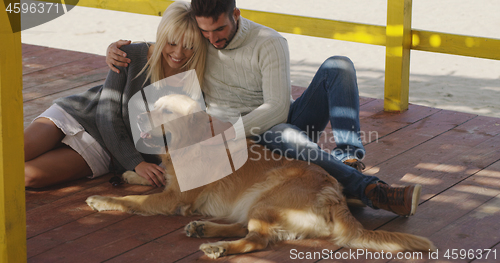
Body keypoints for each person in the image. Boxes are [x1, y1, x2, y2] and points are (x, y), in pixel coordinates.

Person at [105, 0, 422, 217]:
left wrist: (230, 133)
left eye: (219, 30)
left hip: (274, 123)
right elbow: (170, 44)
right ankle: (370, 190)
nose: (212, 39)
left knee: (338, 67)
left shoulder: (268, 42)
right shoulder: (200, 38)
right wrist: (117, 50)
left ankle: (348, 160)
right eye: (205, 32)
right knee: (288, 137)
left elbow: (277, 108)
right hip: (248, 140)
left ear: (236, 15)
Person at [24, 1, 207, 188]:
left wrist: (137, 162)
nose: (178, 53)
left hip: (105, 149)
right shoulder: (129, 55)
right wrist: (135, 163)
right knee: (14, 154)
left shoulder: (197, 83)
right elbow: (107, 115)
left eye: (189, 46)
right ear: (162, 35)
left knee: (26, 176)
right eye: (172, 43)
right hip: (78, 114)